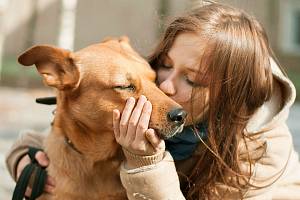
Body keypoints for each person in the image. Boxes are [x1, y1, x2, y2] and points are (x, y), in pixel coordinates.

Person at [6, 2, 300, 199]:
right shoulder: (140, 88)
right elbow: (64, 130)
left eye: (193, 80)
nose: (165, 87)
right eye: (164, 64)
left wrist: (145, 160)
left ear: (231, 94)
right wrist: (22, 159)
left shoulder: (262, 153)